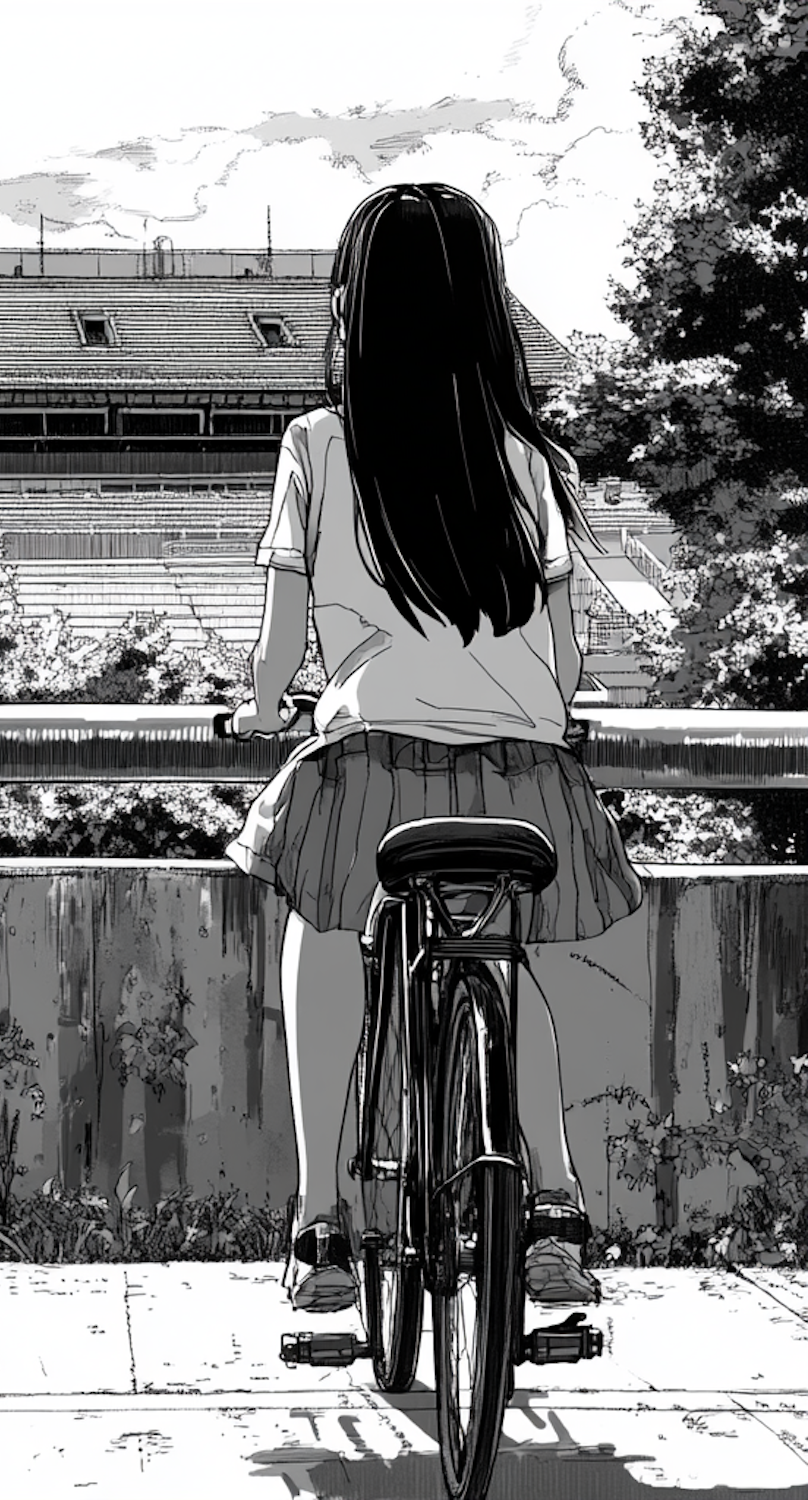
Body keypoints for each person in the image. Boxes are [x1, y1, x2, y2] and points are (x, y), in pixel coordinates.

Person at [225, 183, 642, 1314]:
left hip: (375, 768)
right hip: (520, 773)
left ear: (355, 304)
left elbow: (276, 653)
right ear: (484, 312)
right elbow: (560, 671)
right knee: (506, 968)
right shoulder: (524, 457)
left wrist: (262, 712)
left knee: (323, 930)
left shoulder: (318, 443)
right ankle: (553, 1202)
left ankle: (320, 1223)